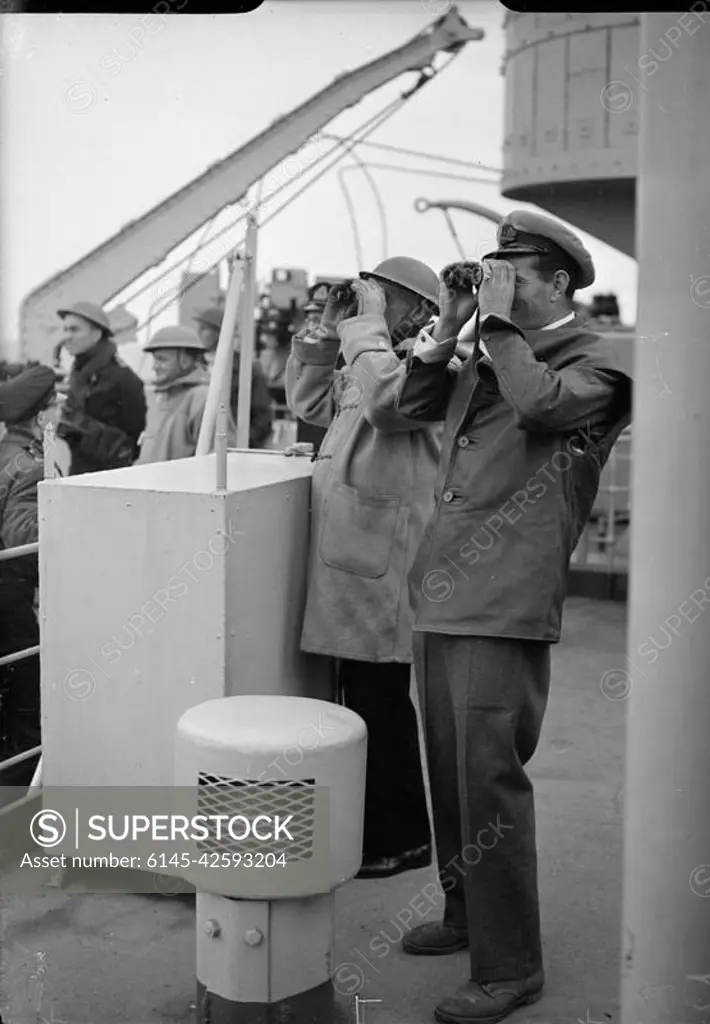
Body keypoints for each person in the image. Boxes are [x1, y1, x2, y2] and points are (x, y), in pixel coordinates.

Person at [386, 212, 632, 1022]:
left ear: (559, 282)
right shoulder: (489, 347)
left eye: (513, 272)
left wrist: (493, 327)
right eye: (490, 270)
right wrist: (452, 322)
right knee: (449, 777)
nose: (499, 284)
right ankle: (466, 917)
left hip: (508, 602)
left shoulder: (595, 365)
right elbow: (410, 404)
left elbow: (542, 406)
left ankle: (511, 966)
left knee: (490, 784)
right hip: (446, 592)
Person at [285, 256, 445, 879]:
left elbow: (387, 407)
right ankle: (368, 830)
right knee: (356, 700)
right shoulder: (370, 354)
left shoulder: (431, 364)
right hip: (350, 556)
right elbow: (313, 404)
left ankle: (401, 838)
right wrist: (328, 333)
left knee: (379, 702)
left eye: (383, 297)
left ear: (422, 311)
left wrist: (365, 328)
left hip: (380, 560)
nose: (367, 304)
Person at [0, 364, 59, 784]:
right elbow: (20, 534)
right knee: (26, 706)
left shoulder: (5, 450)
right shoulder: (32, 464)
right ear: (41, 417)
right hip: (10, 599)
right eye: (54, 407)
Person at [56, 301, 147, 474]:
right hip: (79, 474)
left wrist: (77, 425)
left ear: (97, 334)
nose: (67, 336)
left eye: (74, 329)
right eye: (65, 329)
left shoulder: (124, 379)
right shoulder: (78, 374)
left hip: (110, 480)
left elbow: (131, 447)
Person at [137, 325, 235, 464]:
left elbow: (220, 459)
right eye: (155, 359)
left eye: (162, 359)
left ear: (185, 360)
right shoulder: (162, 396)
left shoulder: (203, 397)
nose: (155, 366)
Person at [193, 307, 274, 448]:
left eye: (204, 329)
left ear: (220, 333)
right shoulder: (195, 366)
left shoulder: (248, 371)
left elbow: (262, 418)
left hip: (232, 452)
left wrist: (241, 446)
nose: (199, 333)